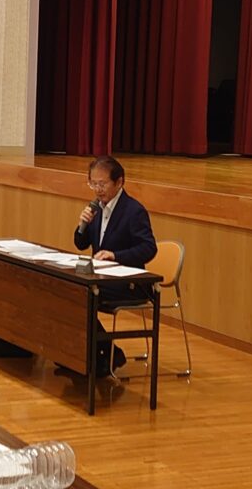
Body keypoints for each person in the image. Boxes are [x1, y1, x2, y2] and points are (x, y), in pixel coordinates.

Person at [73, 155, 157, 376]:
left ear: (119, 182)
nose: (97, 189)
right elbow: (80, 244)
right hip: (102, 279)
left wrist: (116, 255)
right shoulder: (96, 208)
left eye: (102, 184)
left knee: (81, 295)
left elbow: (149, 248)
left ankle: (105, 354)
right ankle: (94, 355)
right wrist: (82, 224)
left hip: (129, 284)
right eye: (93, 183)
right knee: (70, 291)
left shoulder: (133, 211)